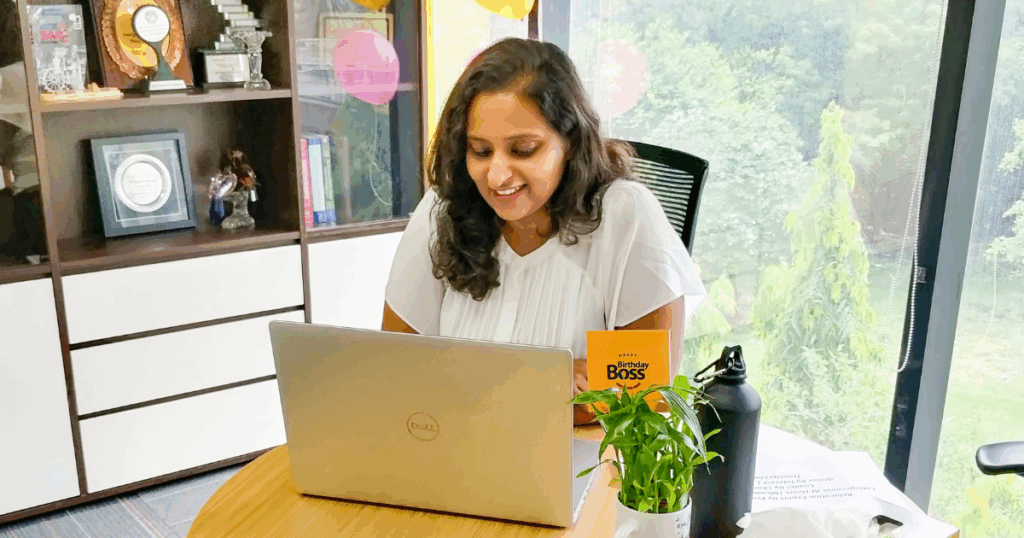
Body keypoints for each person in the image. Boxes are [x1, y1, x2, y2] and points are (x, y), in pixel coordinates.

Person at [382, 38, 707, 424]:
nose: (498, 175)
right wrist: (552, 383)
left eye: (523, 149)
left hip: (577, 465)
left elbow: (647, 392)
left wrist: (468, 385)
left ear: (569, 141)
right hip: (456, 448)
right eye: (481, 151)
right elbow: (397, 367)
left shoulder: (625, 214)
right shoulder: (442, 209)